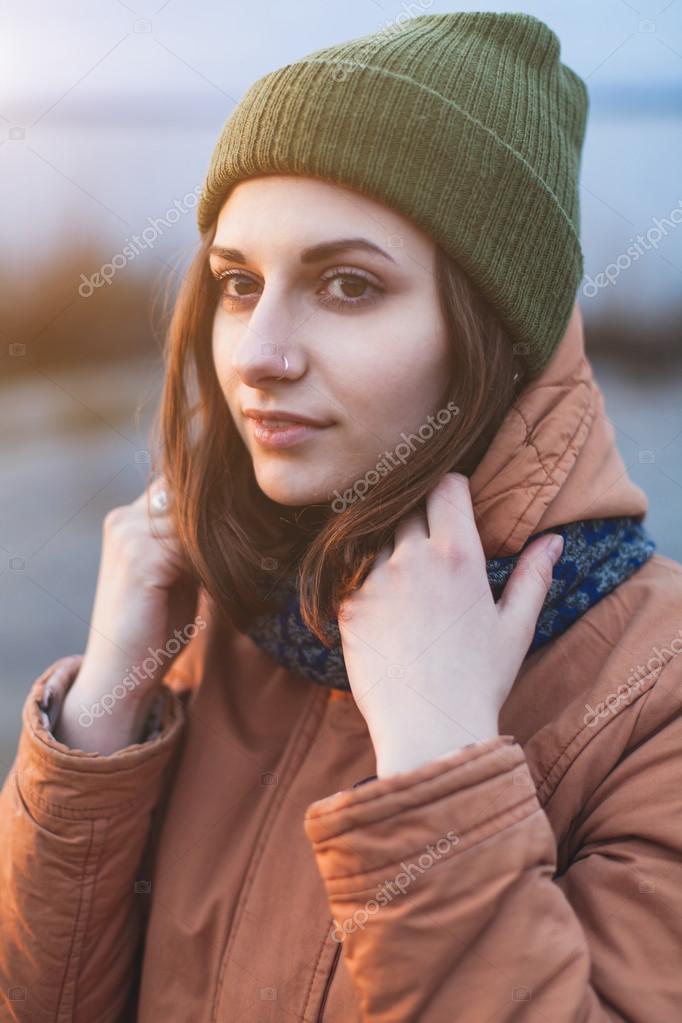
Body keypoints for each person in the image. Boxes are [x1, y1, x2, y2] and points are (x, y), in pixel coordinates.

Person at [2, 11, 681, 1022]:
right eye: (237, 283)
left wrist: (438, 761)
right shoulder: (229, 616)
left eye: (348, 285)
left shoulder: (654, 689)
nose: (259, 355)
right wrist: (103, 718)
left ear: (497, 331)